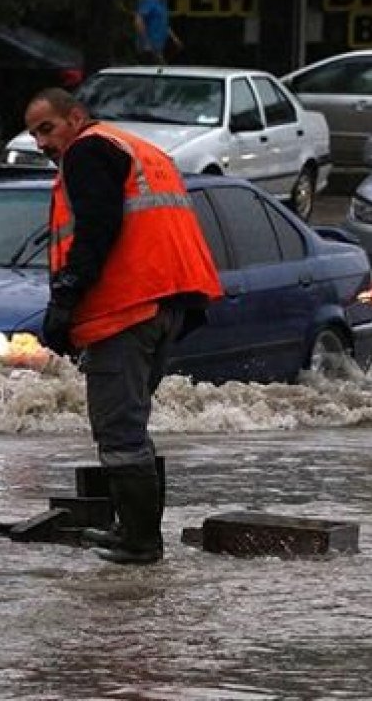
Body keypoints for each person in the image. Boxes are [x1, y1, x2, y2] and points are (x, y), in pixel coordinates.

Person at [24, 88, 222, 564]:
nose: (41, 144)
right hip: (167, 303)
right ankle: (134, 531)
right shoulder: (140, 150)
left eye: (46, 129)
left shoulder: (88, 151)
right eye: (33, 135)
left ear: (75, 118)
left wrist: (67, 298)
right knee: (132, 425)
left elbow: (97, 227)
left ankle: (139, 541)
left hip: (127, 308)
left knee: (119, 431)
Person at [134, 0, 182, 65]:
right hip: (149, 48)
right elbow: (139, 20)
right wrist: (146, 42)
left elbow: (164, 24)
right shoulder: (150, 0)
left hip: (159, 46)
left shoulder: (163, 1)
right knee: (161, 70)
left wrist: (174, 38)